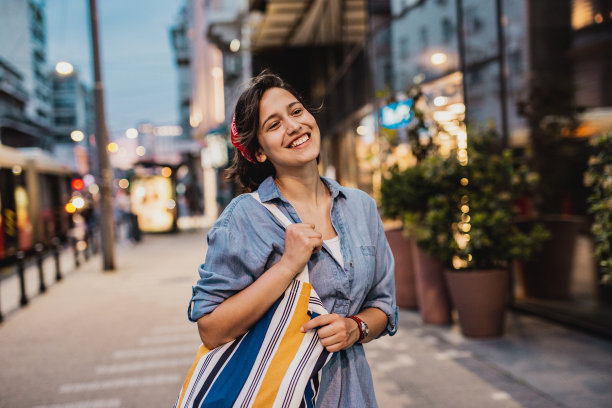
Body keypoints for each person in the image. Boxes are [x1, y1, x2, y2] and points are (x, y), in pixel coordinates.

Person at [188, 72, 398, 407]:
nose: (293, 125)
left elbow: (384, 305)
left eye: (296, 111)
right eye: (274, 125)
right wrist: (287, 265)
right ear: (258, 152)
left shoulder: (361, 206)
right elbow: (212, 330)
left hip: (354, 395)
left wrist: (354, 328)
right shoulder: (246, 217)